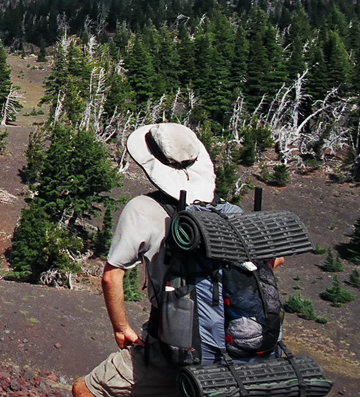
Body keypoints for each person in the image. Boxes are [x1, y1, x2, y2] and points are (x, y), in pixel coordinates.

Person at [74, 121, 283, 397]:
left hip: (172, 347)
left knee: (86, 389)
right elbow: (273, 260)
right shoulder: (229, 211)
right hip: (242, 347)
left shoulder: (143, 208)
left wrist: (122, 328)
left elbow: (112, 276)